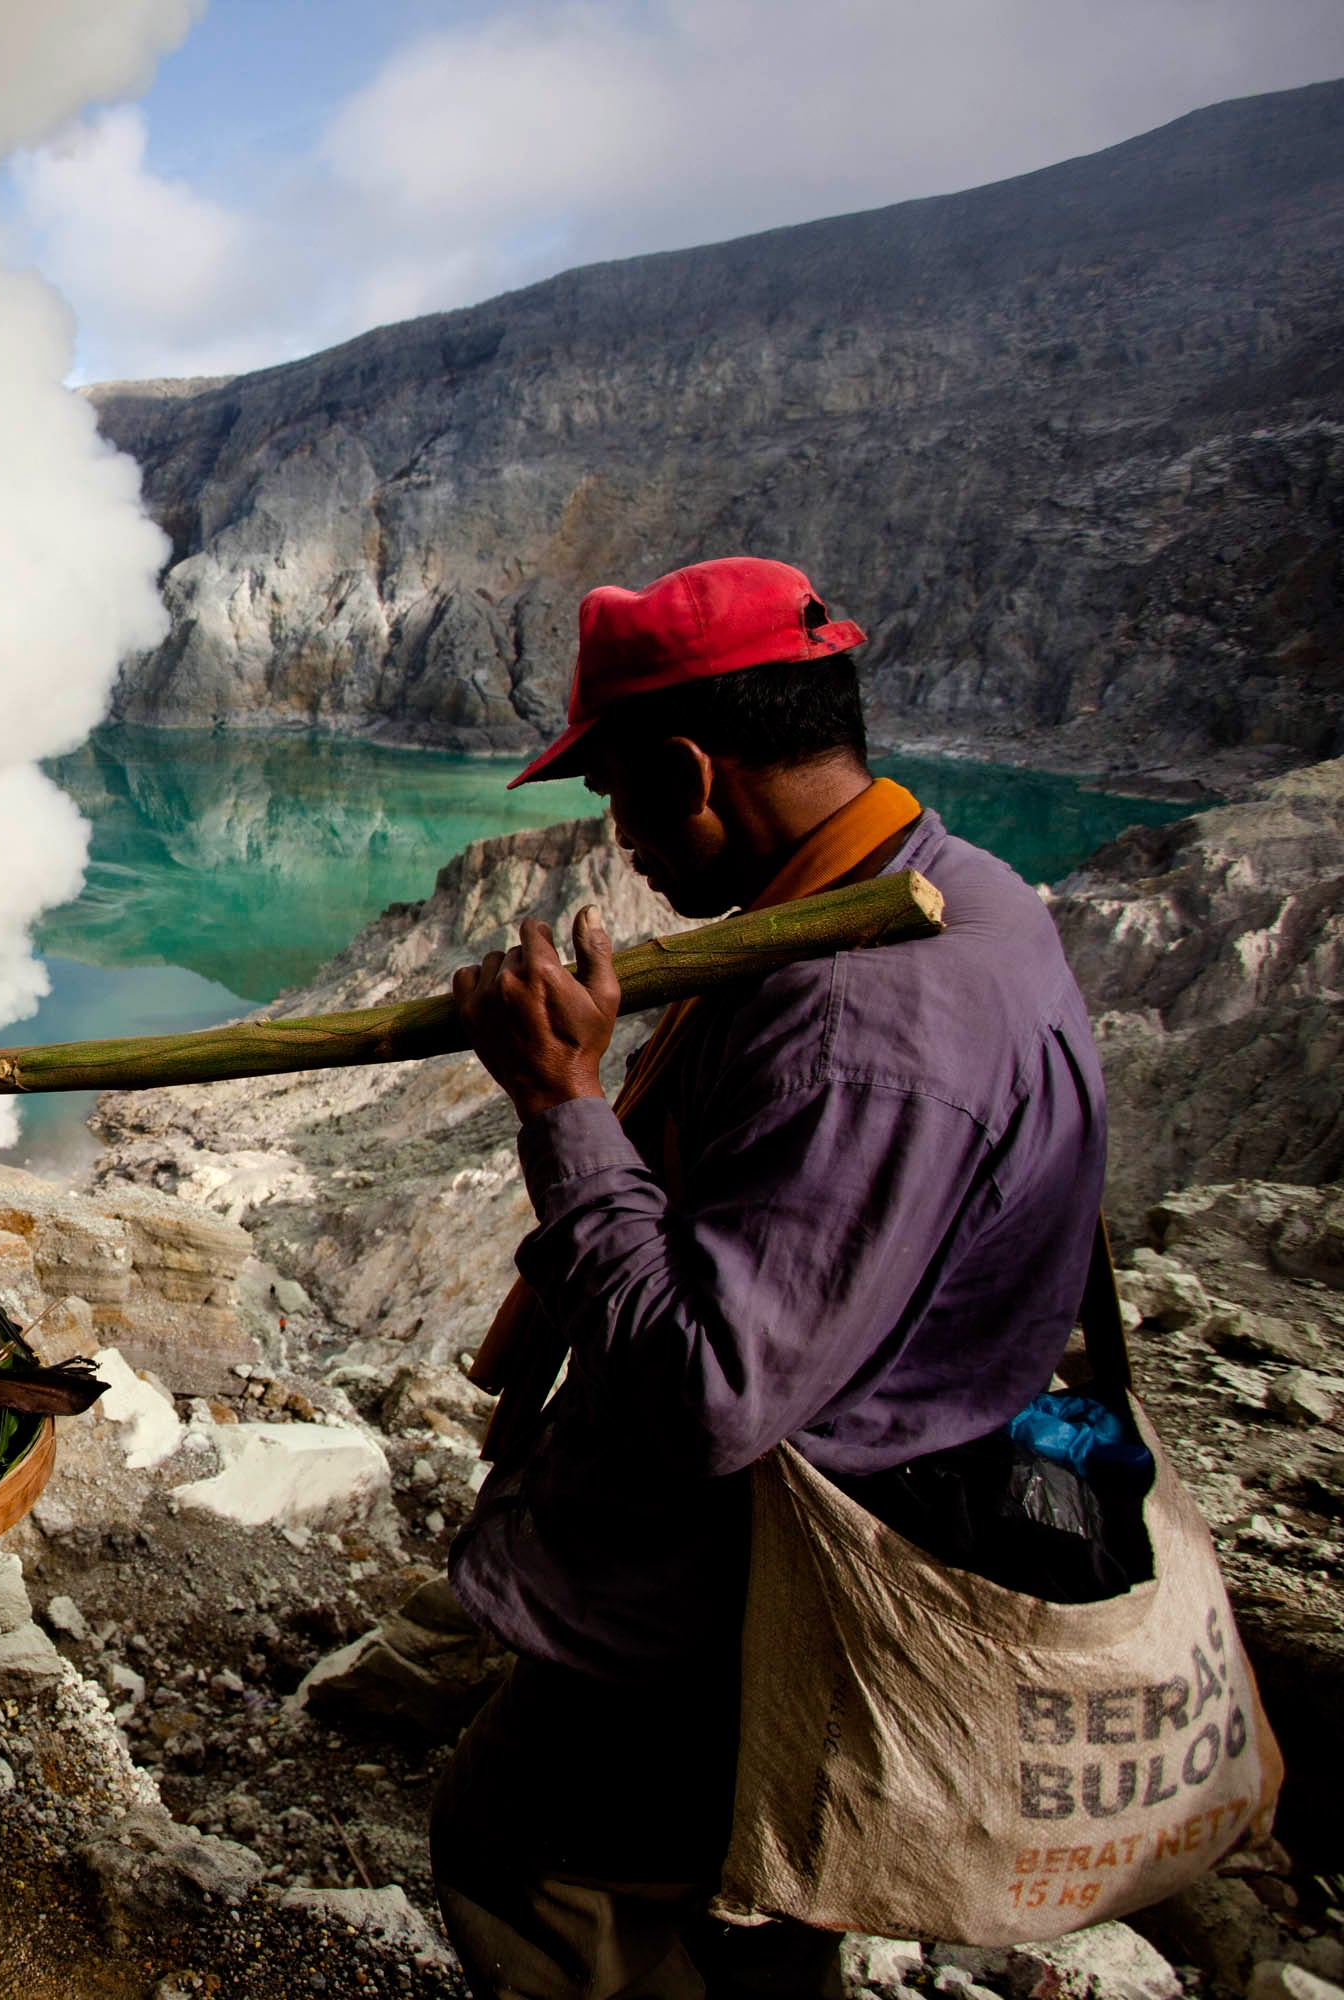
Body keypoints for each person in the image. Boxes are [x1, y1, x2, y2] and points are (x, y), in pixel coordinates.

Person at [434, 558, 1108, 2000]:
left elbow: (708, 1397)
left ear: (691, 769)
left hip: (754, 1592)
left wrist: (562, 1103)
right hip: (851, 1537)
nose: (619, 834)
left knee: (526, 1861)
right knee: (752, 1907)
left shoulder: (862, 1020)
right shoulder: (945, 882)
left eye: (616, 789)